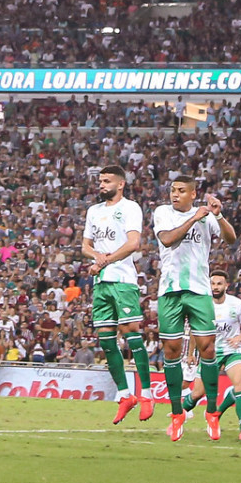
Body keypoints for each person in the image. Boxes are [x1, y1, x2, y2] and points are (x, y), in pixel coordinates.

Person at [150, 175, 236, 442]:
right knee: (172, 351)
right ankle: (177, 414)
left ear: (192, 193)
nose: (175, 195)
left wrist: (218, 216)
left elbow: (231, 239)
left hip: (199, 291)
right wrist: (194, 219)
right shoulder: (163, 212)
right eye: (173, 190)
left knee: (207, 348)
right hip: (170, 291)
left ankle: (212, 411)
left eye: (181, 191)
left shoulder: (207, 215)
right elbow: (167, 240)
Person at [83, 164, 153, 425]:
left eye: (107, 181)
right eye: (100, 180)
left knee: (132, 333)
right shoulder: (93, 211)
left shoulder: (130, 208)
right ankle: (125, 395)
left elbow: (133, 244)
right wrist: (95, 257)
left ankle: (146, 394)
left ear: (120, 184)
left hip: (123, 281)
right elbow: (85, 246)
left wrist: (103, 261)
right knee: (106, 340)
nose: (101, 184)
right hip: (101, 284)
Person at [201, 271, 241, 440]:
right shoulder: (203, 304)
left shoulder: (237, 304)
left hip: (233, 351)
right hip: (210, 353)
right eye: (213, 283)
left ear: (226, 286)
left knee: (240, 385)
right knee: (197, 393)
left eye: (219, 283)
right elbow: (196, 331)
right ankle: (180, 416)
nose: (215, 287)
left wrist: (239, 337)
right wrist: (191, 353)